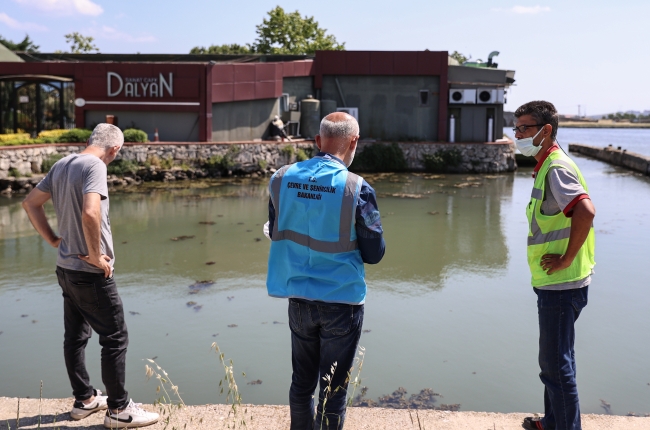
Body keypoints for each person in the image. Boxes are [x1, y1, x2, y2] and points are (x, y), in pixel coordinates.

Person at [22, 124, 159, 429]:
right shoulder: (95, 165)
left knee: (75, 337)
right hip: (89, 272)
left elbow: (30, 203)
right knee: (115, 337)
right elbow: (90, 212)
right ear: (115, 149)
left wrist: (54, 240)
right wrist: (97, 256)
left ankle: (84, 400)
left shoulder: (62, 164)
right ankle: (119, 410)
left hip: (66, 268)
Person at [265, 112, 385, 429]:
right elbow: (374, 253)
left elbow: (275, 230)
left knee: (301, 383)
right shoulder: (356, 188)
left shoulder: (281, 178)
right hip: (342, 302)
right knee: (333, 391)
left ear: (318, 142)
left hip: (298, 298)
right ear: (354, 141)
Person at [513, 101, 596, 430]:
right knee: (559, 359)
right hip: (557, 283)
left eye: (525, 128)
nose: (517, 134)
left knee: (554, 365)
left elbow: (585, 212)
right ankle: (553, 421)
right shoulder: (545, 165)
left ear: (546, 131)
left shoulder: (556, 167)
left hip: (562, 284)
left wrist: (565, 259)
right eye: (516, 127)